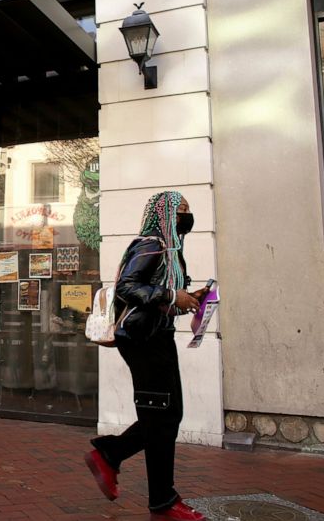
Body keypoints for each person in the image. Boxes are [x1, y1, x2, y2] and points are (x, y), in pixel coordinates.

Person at [83, 191, 208, 521]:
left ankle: (111, 455)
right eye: (180, 210)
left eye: (188, 209)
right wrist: (170, 294)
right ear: (163, 214)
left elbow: (156, 300)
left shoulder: (170, 251)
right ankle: (162, 501)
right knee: (162, 418)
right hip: (144, 343)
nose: (186, 215)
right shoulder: (151, 243)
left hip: (157, 338)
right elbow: (127, 286)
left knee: (168, 416)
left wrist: (188, 298)